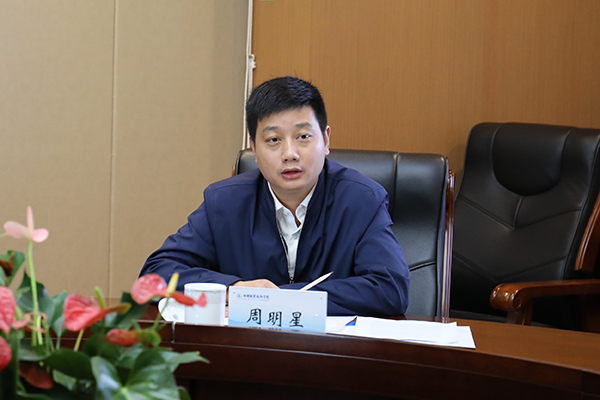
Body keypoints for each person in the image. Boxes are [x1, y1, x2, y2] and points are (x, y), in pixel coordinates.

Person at [140, 76, 410, 316]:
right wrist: (235, 289)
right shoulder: (224, 203)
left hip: (331, 352)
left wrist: (281, 300)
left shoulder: (362, 200)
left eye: (303, 136)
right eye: (273, 140)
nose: (290, 153)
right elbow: (155, 275)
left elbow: (390, 289)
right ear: (254, 149)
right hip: (248, 350)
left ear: (326, 140)